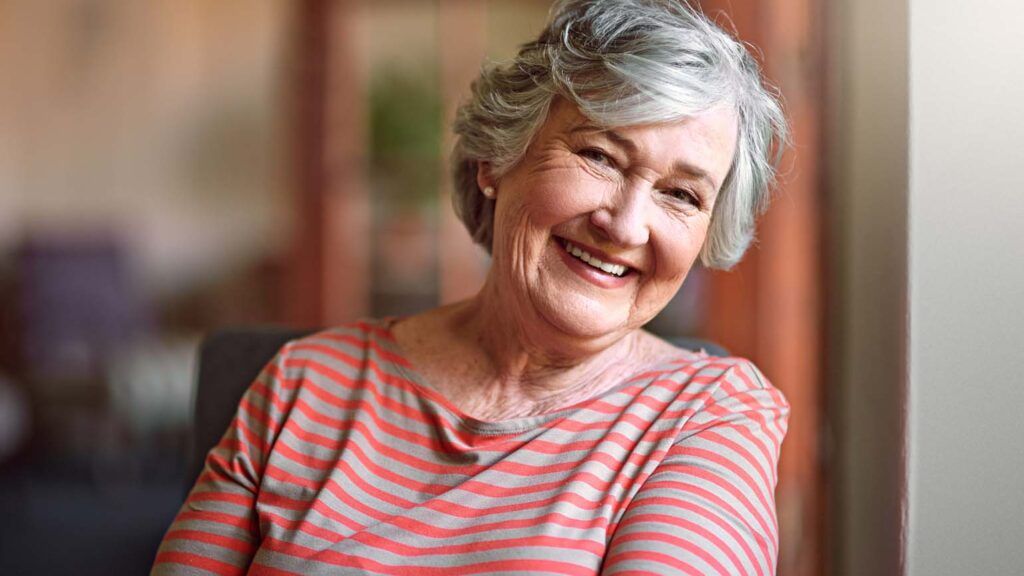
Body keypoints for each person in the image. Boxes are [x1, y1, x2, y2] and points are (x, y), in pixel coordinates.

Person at [152, 0, 790, 574]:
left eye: (681, 195)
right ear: (495, 159)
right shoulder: (305, 381)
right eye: (599, 155)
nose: (624, 225)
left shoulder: (709, 418)